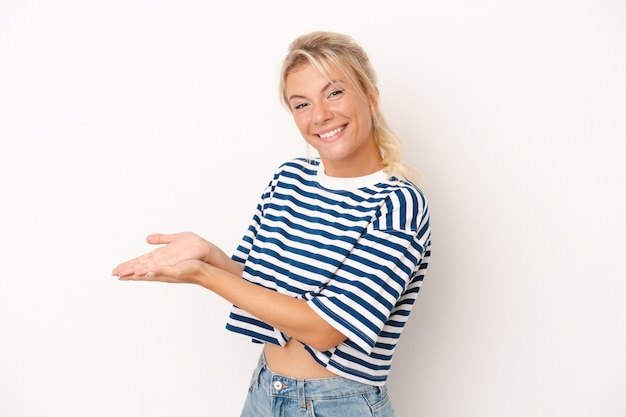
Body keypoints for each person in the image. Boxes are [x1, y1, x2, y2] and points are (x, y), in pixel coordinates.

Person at [112, 30, 431, 417]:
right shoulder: (289, 178)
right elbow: (261, 284)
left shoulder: (399, 204)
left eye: (334, 93)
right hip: (265, 390)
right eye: (301, 104)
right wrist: (211, 257)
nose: (319, 115)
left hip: (338, 404)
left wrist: (203, 276)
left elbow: (326, 330)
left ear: (371, 97)